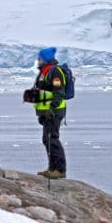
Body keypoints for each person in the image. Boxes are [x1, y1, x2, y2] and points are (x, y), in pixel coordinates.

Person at [33, 47, 67, 179]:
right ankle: (52, 168)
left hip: (53, 111)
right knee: (46, 139)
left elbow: (58, 93)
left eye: (40, 58)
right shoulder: (44, 72)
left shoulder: (55, 72)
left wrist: (51, 109)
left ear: (45, 59)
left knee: (52, 138)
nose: (38, 60)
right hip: (46, 112)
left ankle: (59, 169)